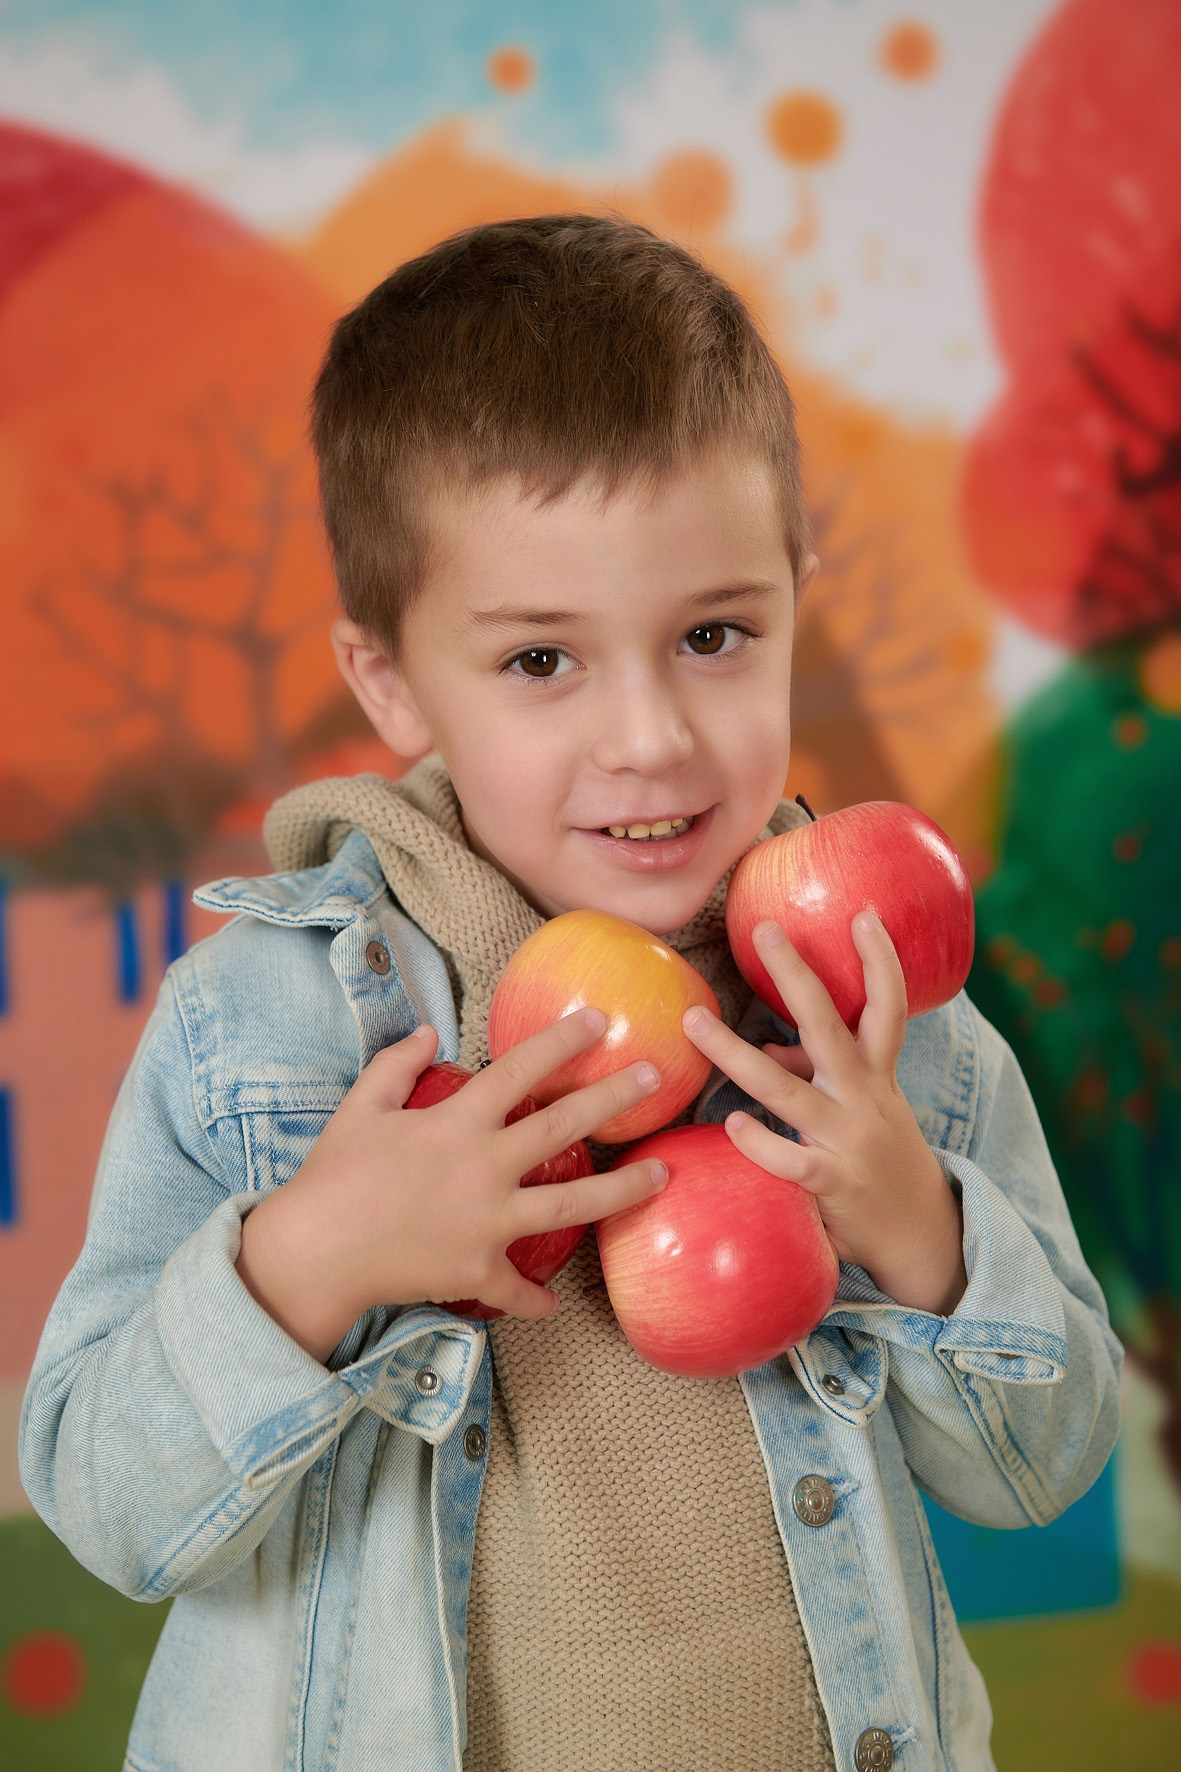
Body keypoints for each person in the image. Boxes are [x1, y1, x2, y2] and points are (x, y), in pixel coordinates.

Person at [19, 213, 1122, 1772]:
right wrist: (310, 1261)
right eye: (541, 661)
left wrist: (919, 1230)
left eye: (714, 636)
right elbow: (109, 1508)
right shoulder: (269, 1031)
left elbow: (1038, 1469)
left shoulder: (884, 1025)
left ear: (794, 601)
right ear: (391, 680)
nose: (652, 740)